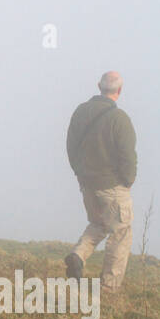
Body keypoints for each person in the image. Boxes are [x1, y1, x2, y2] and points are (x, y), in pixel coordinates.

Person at [65, 70, 137, 292]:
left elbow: (70, 146)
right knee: (121, 232)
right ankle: (109, 288)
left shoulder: (81, 112)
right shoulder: (120, 119)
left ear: (98, 86)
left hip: (87, 184)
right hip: (113, 186)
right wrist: (128, 181)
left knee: (98, 224)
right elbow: (128, 156)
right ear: (120, 90)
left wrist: (80, 172)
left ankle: (78, 255)